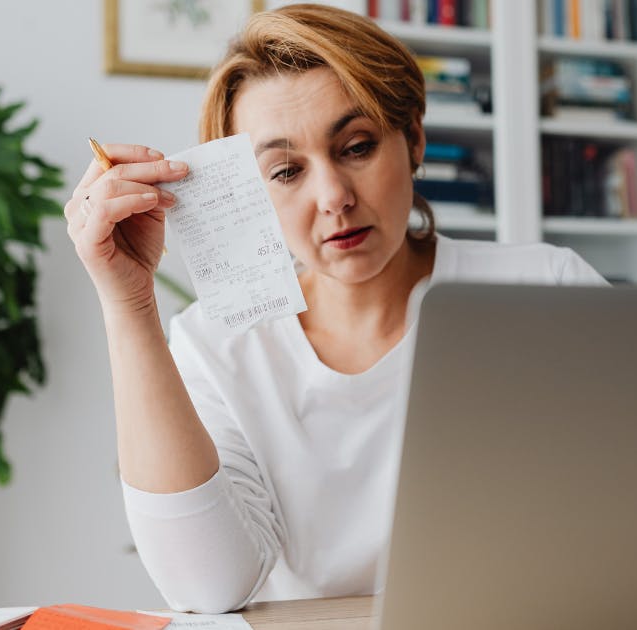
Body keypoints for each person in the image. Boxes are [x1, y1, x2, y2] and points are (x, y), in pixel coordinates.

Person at [64, 4, 608, 614]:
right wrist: (129, 302)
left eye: (357, 146)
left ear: (415, 138)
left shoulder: (548, 289)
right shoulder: (218, 347)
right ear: (248, 191)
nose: (334, 198)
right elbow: (206, 587)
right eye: (287, 170)